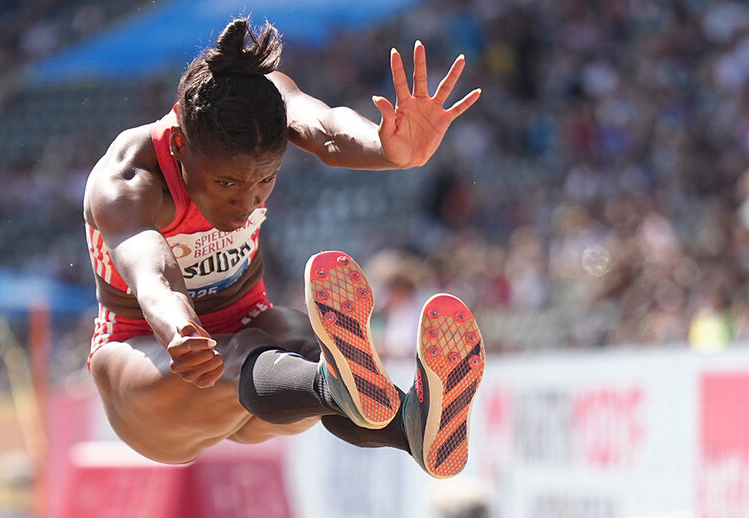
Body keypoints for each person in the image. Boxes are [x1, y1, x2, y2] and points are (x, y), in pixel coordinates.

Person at [83, 17, 485, 479]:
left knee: (309, 343)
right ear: (179, 144)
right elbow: (155, 278)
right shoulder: (127, 178)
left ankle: (410, 426)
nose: (245, 202)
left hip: (267, 380)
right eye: (227, 183)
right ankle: (337, 387)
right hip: (153, 366)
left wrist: (386, 148)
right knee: (247, 348)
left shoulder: (266, 104)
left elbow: (328, 130)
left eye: (265, 180)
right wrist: (180, 330)